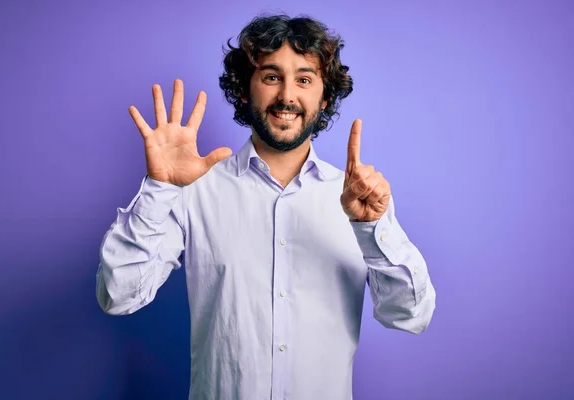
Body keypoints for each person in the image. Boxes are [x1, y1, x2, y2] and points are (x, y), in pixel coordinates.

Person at [96, 13, 436, 400]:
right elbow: (117, 296)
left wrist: (372, 229)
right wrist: (159, 189)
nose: (287, 96)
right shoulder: (195, 191)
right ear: (245, 89)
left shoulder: (359, 201)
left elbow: (411, 315)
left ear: (325, 97)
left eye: (304, 79)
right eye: (272, 76)